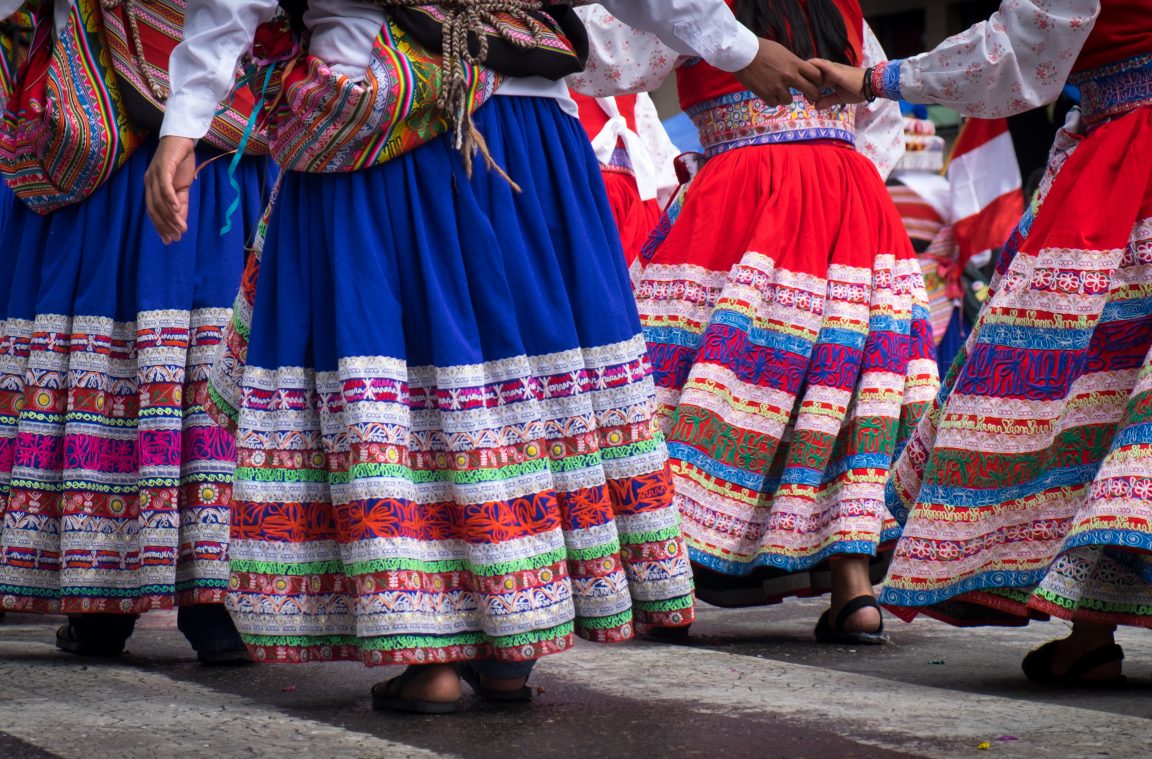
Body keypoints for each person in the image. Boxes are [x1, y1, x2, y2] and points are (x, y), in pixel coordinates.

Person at [143, 0, 826, 713]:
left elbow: (230, 9)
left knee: (405, 386)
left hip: (383, 119)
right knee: (515, 381)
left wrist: (184, 124)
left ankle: (429, 653)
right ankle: (509, 650)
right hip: (529, 132)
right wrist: (739, 48)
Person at [570, 0, 938, 644]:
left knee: (691, 380)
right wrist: (832, 167)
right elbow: (879, 115)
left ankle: (669, 578)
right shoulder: (844, 7)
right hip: (850, 195)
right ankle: (855, 589)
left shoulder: (706, 6)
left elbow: (599, 59)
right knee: (840, 382)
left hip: (743, 188)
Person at [815, 0, 1152, 684]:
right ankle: (1089, 632)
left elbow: (1013, 50)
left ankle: (1091, 632)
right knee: (1121, 395)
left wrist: (875, 81)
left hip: (1131, 162)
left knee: (1097, 390)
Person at [0, 0, 268, 661]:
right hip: (208, 128)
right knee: (212, 345)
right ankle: (213, 600)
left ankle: (103, 595)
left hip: (113, 136)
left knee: (112, 337)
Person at [570, 91, 679, 265]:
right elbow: (663, 165)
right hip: (619, 195)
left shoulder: (551, 75)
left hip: (589, 195)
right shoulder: (632, 80)